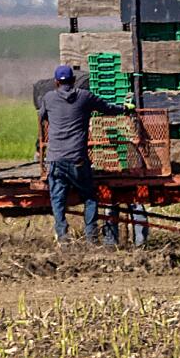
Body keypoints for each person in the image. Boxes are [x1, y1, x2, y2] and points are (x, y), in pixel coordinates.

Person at [39, 64, 129, 245]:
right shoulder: (84, 97)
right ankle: (91, 237)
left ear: (56, 82)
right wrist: (126, 108)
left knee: (57, 199)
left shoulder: (48, 98)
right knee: (89, 197)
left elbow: (42, 117)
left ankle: (63, 238)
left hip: (55, 159)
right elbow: (108, 109)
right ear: (73, 80)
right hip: (77, 160)